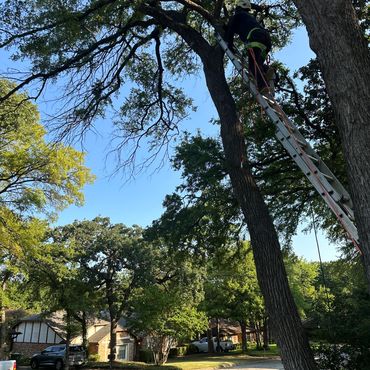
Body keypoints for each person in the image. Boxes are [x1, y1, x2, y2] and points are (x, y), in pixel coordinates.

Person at [225, 0, 273, 93]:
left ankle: (263, 85)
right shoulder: (248, 17)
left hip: (255, 38)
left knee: (253, 66)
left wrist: (229, 46)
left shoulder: (237, 16)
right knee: (258, 63)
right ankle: (267, 70)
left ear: (238, 7)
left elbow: (230, 31)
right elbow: (235, 28)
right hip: (266, 40)